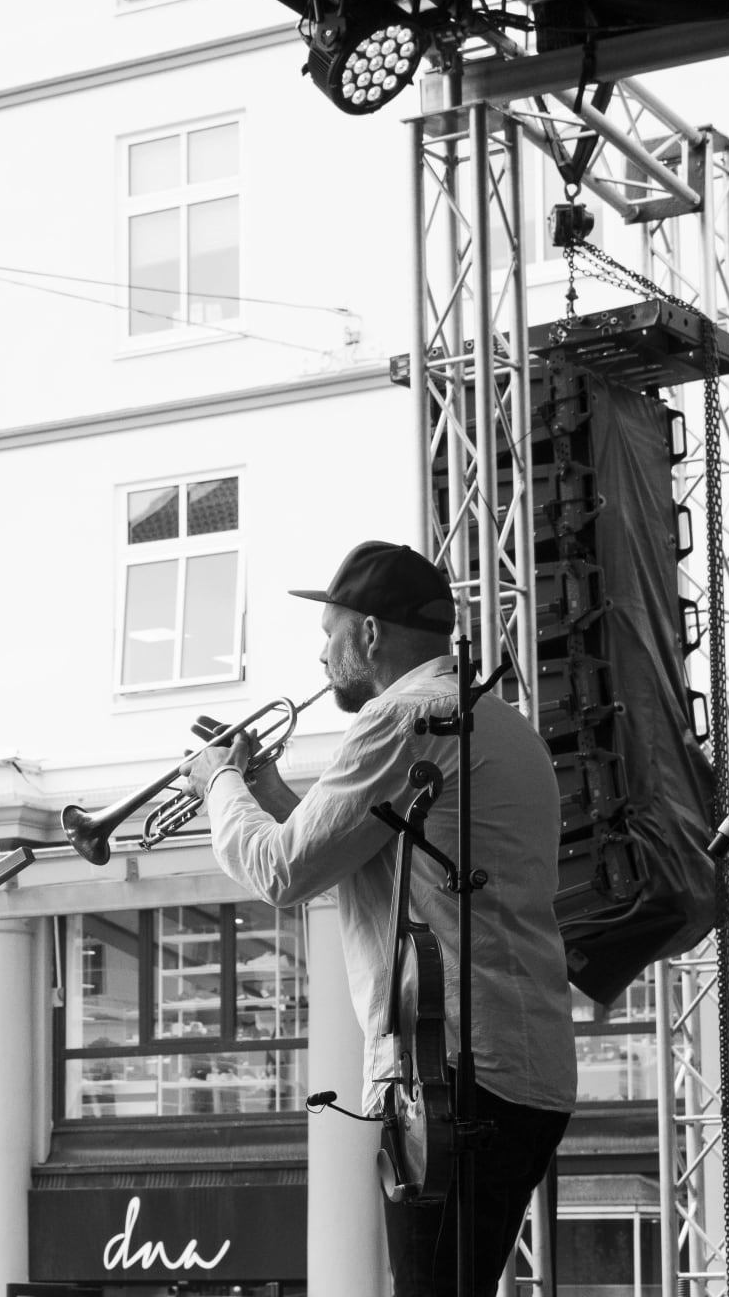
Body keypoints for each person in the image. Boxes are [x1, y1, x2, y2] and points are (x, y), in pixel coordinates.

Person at [177, 540, 573, 1297]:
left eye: (329, 634)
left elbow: (281, 872)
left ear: (367, 634)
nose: (322, 655)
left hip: (451, 1071)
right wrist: (266, 789)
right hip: (520, 1065)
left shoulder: (401, 719)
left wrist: (219, 784)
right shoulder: (497, 722)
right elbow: (364, 858)